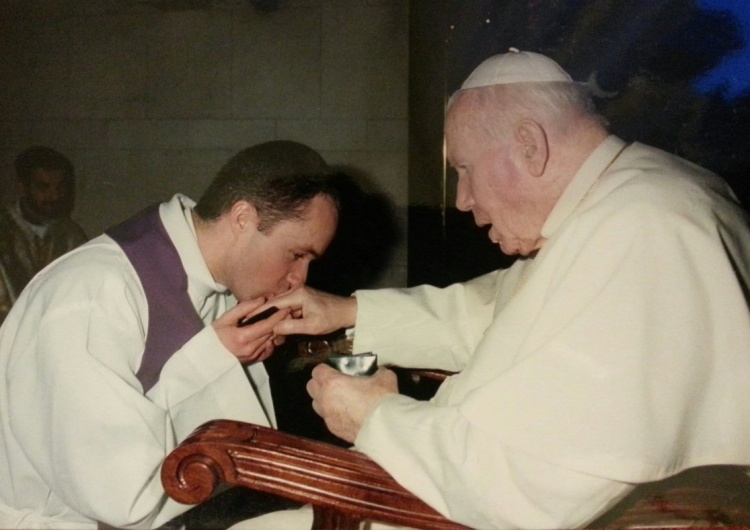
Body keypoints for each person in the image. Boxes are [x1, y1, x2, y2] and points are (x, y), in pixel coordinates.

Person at [244, 50, 750, 529]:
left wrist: (374, 417)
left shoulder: (642, 229)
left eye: (465, 169)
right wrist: (348, 312)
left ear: (530, 145)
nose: (462, 200)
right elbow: (493, 309)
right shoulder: (632, 197)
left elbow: (526, 487)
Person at [0, 140, 340, 529]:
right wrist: (213, 362)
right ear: (243, 217)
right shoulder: (94, 292)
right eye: (296, 255)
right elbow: (122, 493)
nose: (299, 280)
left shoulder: (215, 286)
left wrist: (238, 362)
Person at [0, 146, 88, 323]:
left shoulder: (72, 235)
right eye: (43, 187)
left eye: (60, 187)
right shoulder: (4, 231)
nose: (54, 196)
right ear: (22, 188)